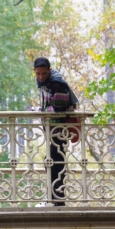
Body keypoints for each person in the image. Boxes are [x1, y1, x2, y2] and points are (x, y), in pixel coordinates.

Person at [34, 57, 78, 206]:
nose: (41, 77)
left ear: (49, 70)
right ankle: (53, 198)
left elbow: (59, 109)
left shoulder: (57, 84)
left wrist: (41, 112)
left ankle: (57, 200)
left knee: (56, 162)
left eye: (44, 74)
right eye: (38, 74)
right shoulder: (42, 83)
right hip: (51, 129)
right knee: (51, 162)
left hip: (59, 129)